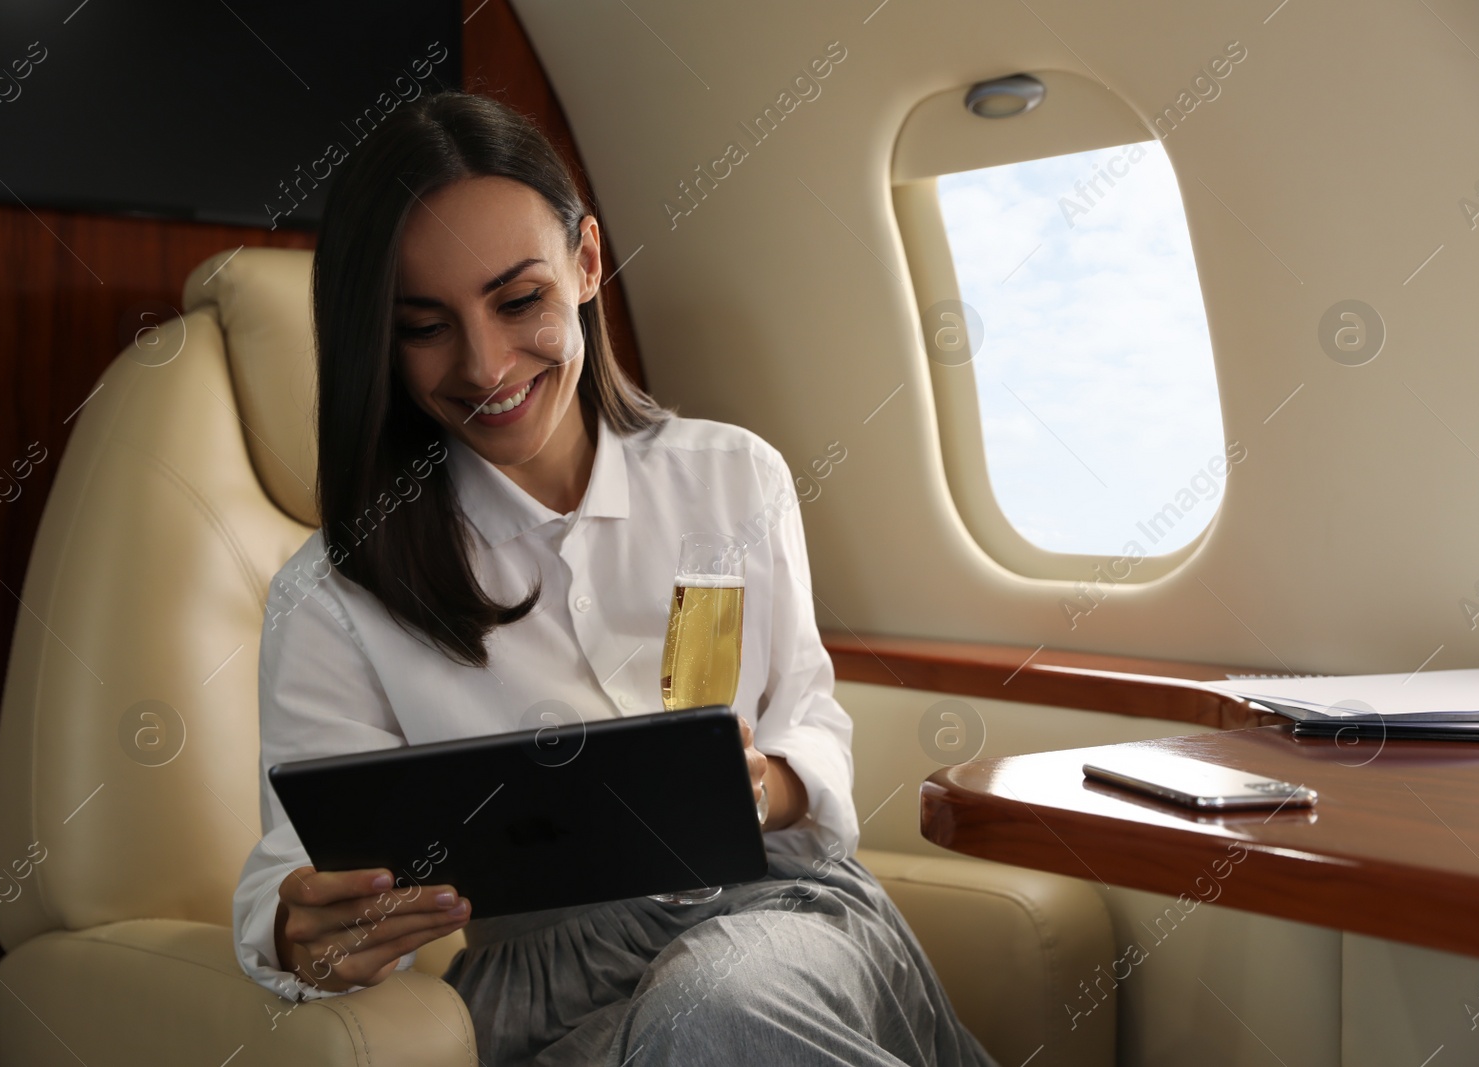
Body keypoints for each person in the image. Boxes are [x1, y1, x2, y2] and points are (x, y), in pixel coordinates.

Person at [232, 90, 999, 1067]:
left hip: (771, 913)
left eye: (520, 302)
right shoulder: (334, 595)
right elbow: (288, 877)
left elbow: (812, 716)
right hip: (541, 991)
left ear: (586, 262)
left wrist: (765, 783)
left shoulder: (734, 477)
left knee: (710, 1011)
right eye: (425, 325)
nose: (484, 363)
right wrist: (304, 937)